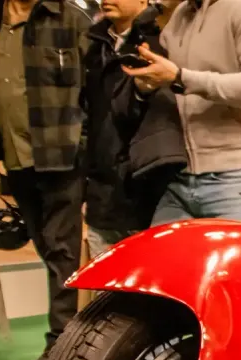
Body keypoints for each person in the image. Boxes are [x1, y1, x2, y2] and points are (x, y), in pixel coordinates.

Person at [0, 0, 92, 360]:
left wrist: (82, 145)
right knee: (47, 246)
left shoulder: (70, 19)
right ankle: (70, 335)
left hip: (63, 158)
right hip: (15, 158)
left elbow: (95, 90)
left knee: (61, 248)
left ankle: (62, 342)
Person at [124, 0, 241, 224]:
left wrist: (181, 78)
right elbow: (169, 77)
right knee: (157, 248)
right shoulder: (181, 14)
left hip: (240, 177)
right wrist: (148, 83)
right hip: (179, 178)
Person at [82, 0, 185, 258]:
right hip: (102, 197)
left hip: (151, 193)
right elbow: (89, 117)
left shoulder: (165, 42)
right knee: (105, 283)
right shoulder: (95, 45)